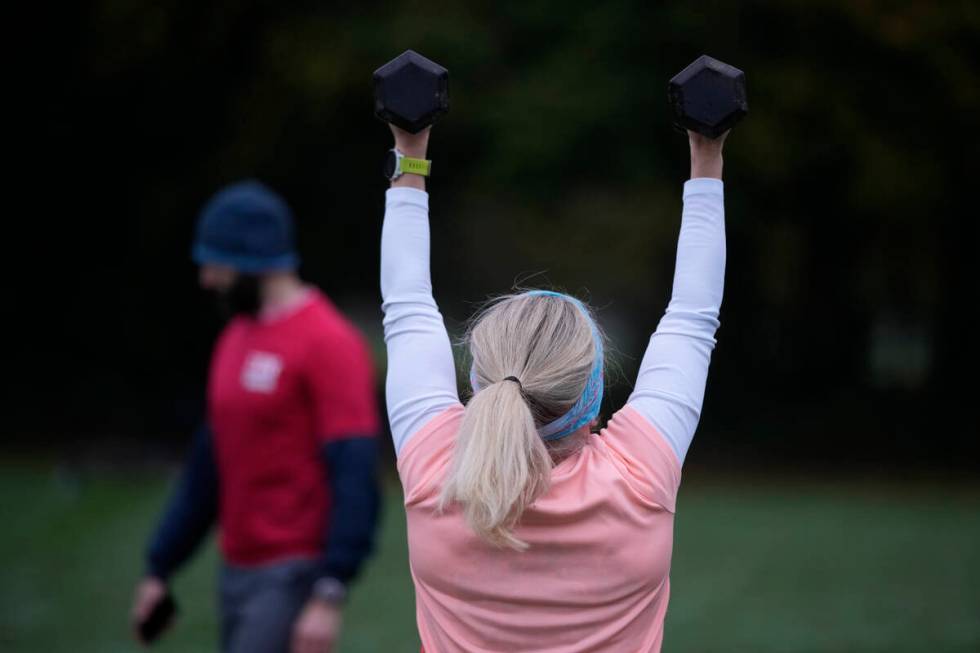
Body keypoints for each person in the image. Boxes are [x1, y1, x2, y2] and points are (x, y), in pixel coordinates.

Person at [380, 122, 727, 652]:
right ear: (591, 394)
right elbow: (692, 318)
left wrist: (409, 152)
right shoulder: (639, 478)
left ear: (479, 382)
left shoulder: (437, 471)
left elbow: (406, 306)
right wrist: (707, 154)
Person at [130, 180, 382, 653]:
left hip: (292, 574)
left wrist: (330, 591)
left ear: (251, 263)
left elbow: (355, 471)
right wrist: (160, 567)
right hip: (235, 570)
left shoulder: (329, 343)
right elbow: (210, 464)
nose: (207, 279)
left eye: (215, 264)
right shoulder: (236, 338)